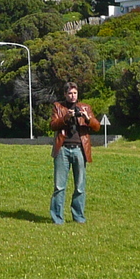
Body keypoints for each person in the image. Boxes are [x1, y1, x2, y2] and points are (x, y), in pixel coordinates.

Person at [49, 82, 99, 224]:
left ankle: (78, 216)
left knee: (80, 185)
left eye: (75, 93)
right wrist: (66, 118)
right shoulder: (58, 107)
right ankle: (57, 218)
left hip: (80, 150)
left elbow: (96, 126)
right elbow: (52, 125)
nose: (72, 96)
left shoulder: (85, 108)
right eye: (70, 93)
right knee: (59, 186)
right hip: (63, 149)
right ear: (65, 94)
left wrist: (86, 118)